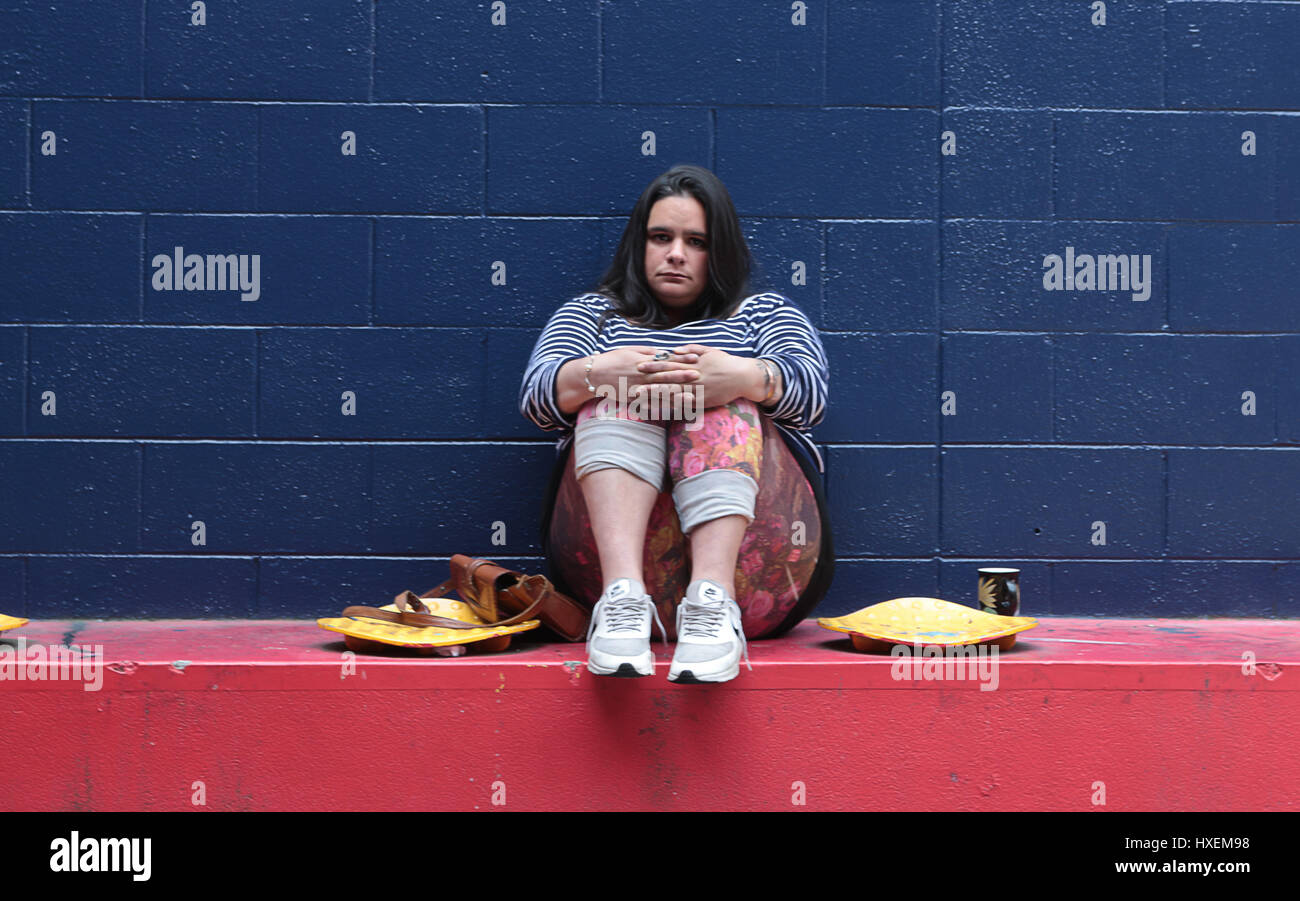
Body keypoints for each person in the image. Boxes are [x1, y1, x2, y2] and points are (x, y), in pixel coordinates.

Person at [518, 164, 833, 683]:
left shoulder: (765, 316)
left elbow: (813, 398)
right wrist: (601, 372)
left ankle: (711, 605)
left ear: (721, 250)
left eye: (696, 241)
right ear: (638, 245)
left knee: (721, 400)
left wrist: (741, 379)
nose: (676, 254)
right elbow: (536, 400)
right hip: (604, 584)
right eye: (660, 237)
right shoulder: (592, 318)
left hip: (759, 579)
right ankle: (624, 600)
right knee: (612, 394)